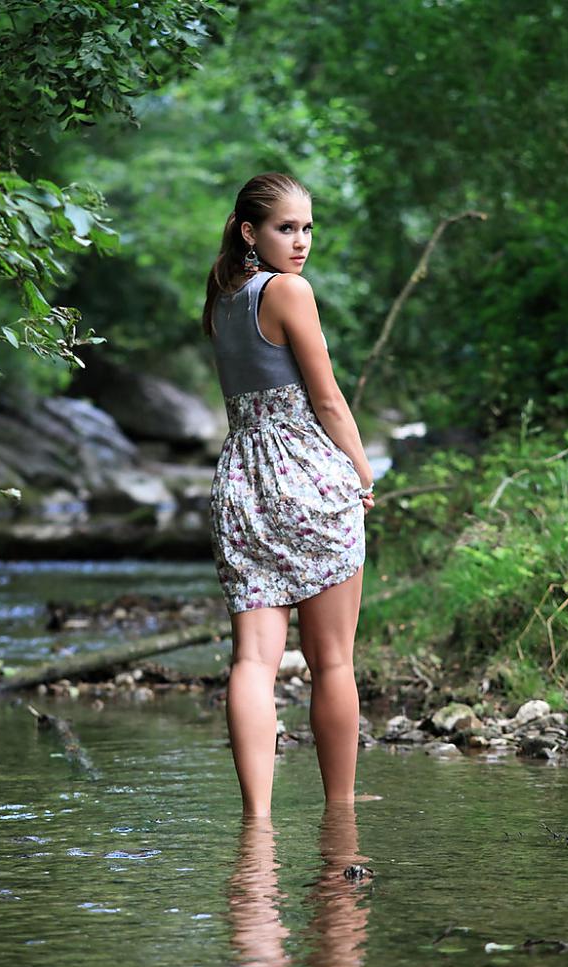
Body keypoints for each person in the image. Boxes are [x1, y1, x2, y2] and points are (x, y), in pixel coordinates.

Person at [203, 172, 375, 817]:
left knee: (252, 659)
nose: (300, 241)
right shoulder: (288, 291)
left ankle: (257, 818)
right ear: (251, 232)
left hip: (240, 481)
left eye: (306, 228)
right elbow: (326, 399)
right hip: (305, 474)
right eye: (285, 228)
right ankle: (341, 810)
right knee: (331, 663)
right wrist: (362, 473)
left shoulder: (223, 296)